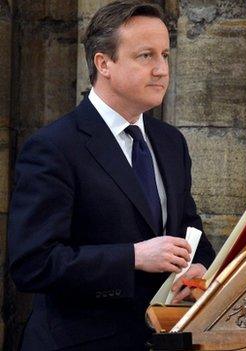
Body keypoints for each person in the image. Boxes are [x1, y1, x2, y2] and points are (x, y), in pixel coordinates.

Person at [8, 1, 215, 349]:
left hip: (162, 338)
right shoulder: (54, 147)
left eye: (165, 55)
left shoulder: (170, 142)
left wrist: (198, 269)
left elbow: (188, 230)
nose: (162, 69)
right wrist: (134, 256)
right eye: (146, 56)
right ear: (103, 63)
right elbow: (33, 264)